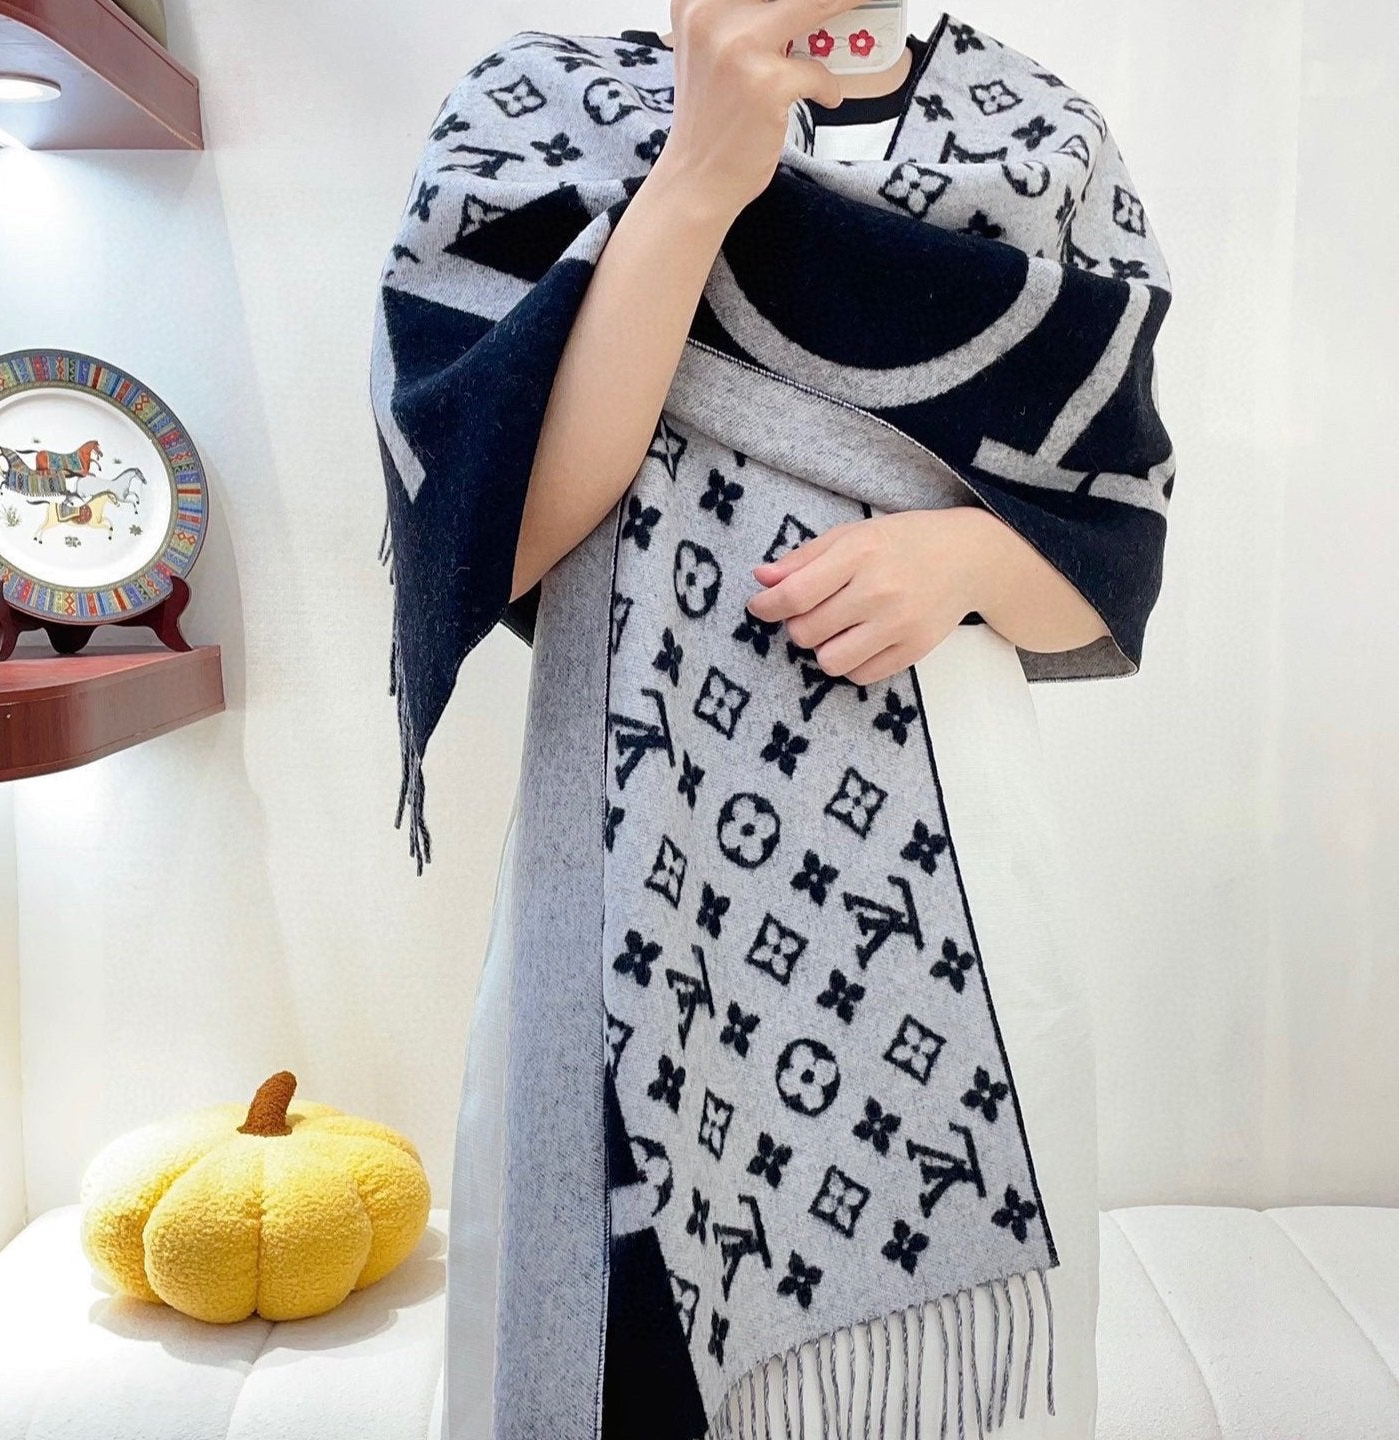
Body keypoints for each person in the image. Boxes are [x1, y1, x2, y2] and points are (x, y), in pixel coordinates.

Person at [395, 5, 1174, 1437]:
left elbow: (1115, 555)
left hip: (955, 897)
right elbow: (485, 533)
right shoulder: (540, 106)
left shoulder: (1045, 137)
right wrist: (698, 175)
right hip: (631, 860)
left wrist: (971, 560)